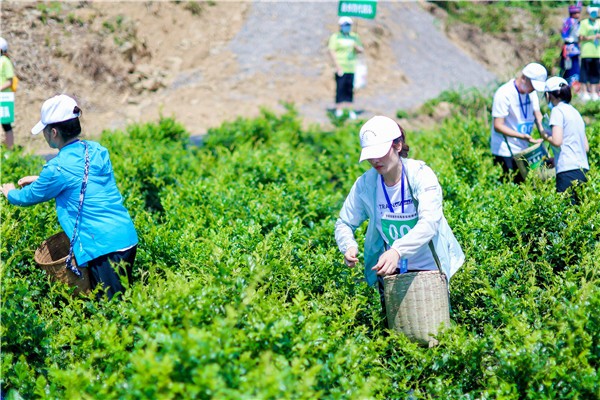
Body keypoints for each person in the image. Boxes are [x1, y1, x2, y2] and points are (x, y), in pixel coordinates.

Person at [1, 94, 138, 300]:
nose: (45, 135)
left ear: (54, 132)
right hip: (125, 237)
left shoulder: (57, 168)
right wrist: (42, 179)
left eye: (45, 130)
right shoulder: (97, 150)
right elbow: (86, 180)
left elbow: (29, 197)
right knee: (122, 299)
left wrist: (10, 193)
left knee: (113, 311)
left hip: (103, 248)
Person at [334, 116, 464, 319]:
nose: (375, 160)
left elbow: (430, 222)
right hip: (392, 273)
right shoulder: (366, 183)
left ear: (398, 145)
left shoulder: (421, 175)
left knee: (434, 332)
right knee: (398, 336)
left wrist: (398, 250)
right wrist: (348, 246)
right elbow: (344, 223)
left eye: (380, 153)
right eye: (370, 155)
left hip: (430, 269)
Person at [490, 62, 547, 183]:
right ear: (524, 78)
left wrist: (545, 133)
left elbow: (538, 116)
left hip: (523, 150)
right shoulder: (504, 93)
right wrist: (522, 136)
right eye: (533, 85)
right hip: (505, 150)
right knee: (508, 185)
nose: (533, 90)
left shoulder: (531, 94)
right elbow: (498, 125)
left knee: (526, 186)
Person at [540, 76, 589, 202]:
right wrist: (556, 158)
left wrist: (544, 134)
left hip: (567, 172)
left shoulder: (557, 111)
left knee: (565, 216)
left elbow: (557, 141)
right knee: (579, 215)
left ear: (548, 95)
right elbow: (586, 147)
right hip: (582, 170)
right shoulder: (575, 112)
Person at [328, 16, 364, 120]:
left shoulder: (354, 37)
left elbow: (360, 50)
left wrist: (357, 48)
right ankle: (338, 109)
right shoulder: (335, 37)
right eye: (344, 25)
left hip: (351, 67)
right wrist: (337, 66)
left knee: (349, 89)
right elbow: (332, 51)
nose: (346, 27)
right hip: (340, 67)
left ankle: (350, 110)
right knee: (340, 88)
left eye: (348, 25)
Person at [578, 5, 600, 101]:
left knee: (595, 73)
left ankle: (594, 92)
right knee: (584, 73)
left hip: (597, 52)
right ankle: (584, 92)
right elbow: (581, 37)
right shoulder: (584, 23)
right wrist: (593, 37)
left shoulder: (599, 22)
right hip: (586, 52)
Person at [560, 4, 582, 89]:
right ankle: (568, 84)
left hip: (575, 47)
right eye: (576, 13)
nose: (578, 14)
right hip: (569, 47)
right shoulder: (568, 21)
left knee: (575, 66)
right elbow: (564, 34)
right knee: (568, 66)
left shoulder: (578, 22)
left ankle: (575, 84)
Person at [0, 36, 15, 149]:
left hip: (5, 97)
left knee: (6, 124)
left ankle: (9, 149)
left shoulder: (5, 61)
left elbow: (10, 81)